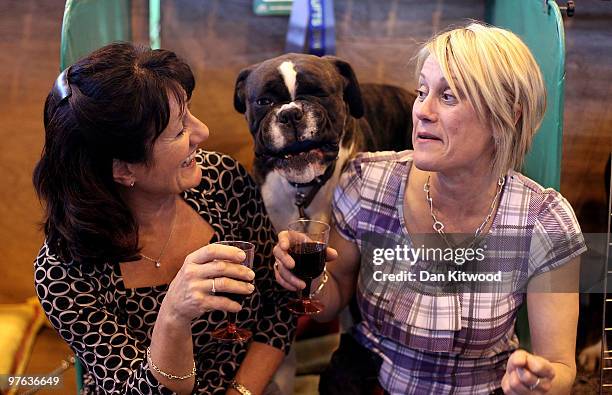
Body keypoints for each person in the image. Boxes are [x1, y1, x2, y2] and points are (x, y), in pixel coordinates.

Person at [273, 22, 586, 394]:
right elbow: (331, 297)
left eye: (449, 96)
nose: (422, 110)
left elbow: (561, 367)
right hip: (368, 383)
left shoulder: (546, 221)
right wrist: (305, 278)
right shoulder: (366, 182)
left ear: (509, 116)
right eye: (422, 92)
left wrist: (538, 382)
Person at [33, 42, 295, 395]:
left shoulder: (221, 182)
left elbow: (279, 307)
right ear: (123, 169)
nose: (202, 133)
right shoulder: (63, 271)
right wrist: (173, 316)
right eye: (179, 131)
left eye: (189, 112)